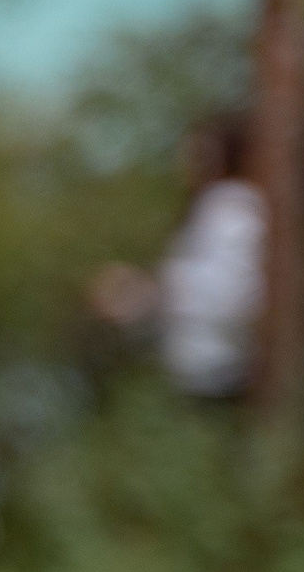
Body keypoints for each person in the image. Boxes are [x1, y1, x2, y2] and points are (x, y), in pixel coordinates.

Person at [88, 114, 266, 398]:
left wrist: (149, 291)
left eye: (198, 152)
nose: (185, 163)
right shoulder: (215, 208)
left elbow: (238, 294)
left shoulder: (230, 208)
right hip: (208, 373)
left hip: (223, 374)